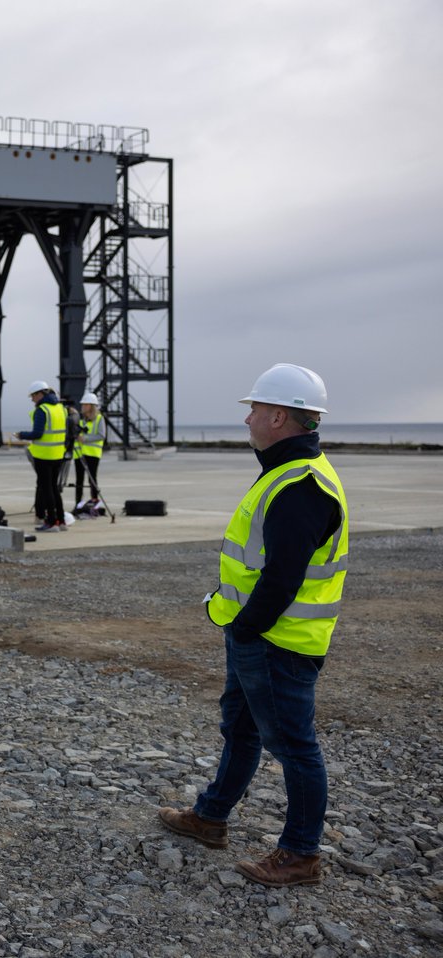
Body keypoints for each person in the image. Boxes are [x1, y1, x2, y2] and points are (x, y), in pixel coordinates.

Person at [158, 363, 347, 888]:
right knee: (240, 729)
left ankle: (301, 855)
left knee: (293, 745)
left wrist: (247, 629)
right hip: (264, 637)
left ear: (280, 417)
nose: (248, 418)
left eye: (256, 409)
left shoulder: (300, 485)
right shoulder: (288, 471)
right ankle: (211, 817)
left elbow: (283, 576)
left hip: (277, 641)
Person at [13, 380, 67, 531]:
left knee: (46, 488)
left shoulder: (42, 410)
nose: (32, 399)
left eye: (33, 396)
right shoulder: (61, 408)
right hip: (58, 454)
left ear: (40, 394)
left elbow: (37, 433)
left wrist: (21, 435)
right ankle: (61, 521)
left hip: (43, 456)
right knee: (55, 489)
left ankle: (51, 522)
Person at [73, 391, 105, 511]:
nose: (83, 407)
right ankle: (78, 504)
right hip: (79, 454)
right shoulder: (81, 420)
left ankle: (95, 501)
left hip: (92, 454)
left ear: (92, 406)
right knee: (79, 480)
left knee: (92, 479)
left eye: (86, 404)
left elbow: (101, 435)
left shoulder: (99, 419)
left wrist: (85, 439)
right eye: (83, 404)